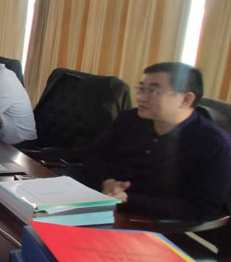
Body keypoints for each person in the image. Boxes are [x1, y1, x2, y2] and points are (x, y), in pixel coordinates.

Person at [81, 62, 231, 222]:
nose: (141, 97)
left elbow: (201, 208)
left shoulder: (213, 143)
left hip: (149, 222)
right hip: (104, 203)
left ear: (185, 99)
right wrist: (107, 181)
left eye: (152, 91)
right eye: (141, 89)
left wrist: (129, 199)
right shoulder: (130, 118)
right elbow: (94, 154)